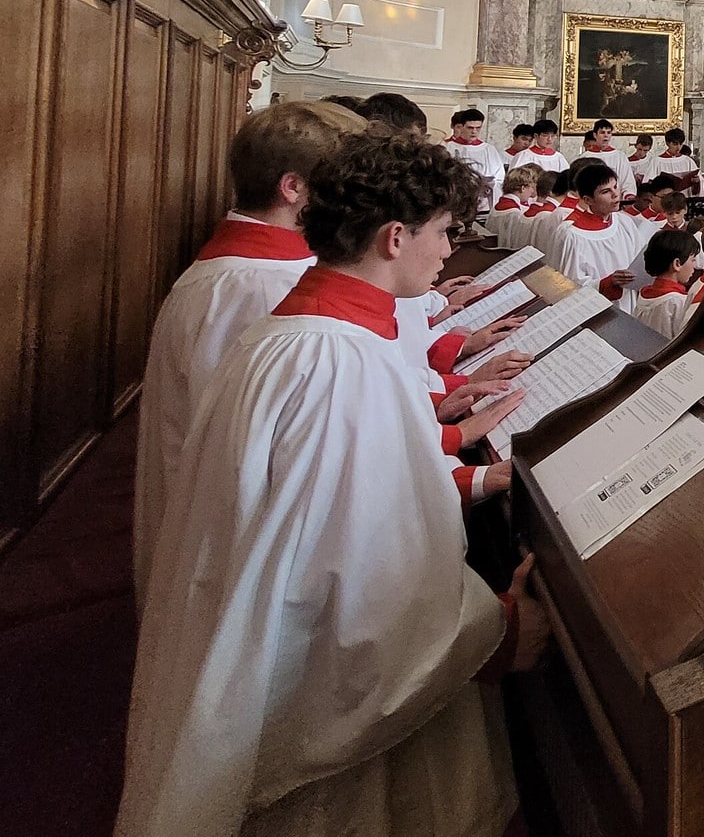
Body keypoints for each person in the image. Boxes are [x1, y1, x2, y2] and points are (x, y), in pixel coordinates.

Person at [117, 134, 548, 837]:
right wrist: (496, 632)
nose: (447, 254)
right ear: (394, 236)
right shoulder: (337, 364)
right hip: (313, 719)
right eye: (442, 234)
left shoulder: (300, 332)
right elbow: (356, 587)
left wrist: (463, 478)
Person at [133, 100, 366, 596]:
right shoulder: (263, 285)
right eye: (337, 186)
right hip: (228, 544)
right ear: (293, 188)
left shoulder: (247, 269)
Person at [544, 164, 656, 289]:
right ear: (588, 200)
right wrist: (607, 283)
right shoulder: (573, 236)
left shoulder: (625, 222)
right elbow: (569, 284)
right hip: (598, 305)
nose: (615, 194)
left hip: (630, 298)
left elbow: (641, 259)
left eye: (615, 187)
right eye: (605, 191)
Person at [636, 228, 704, 340]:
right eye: (693, 260)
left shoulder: (644, 294)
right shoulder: (677, 301)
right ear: (677, 264)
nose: (695, 266)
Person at [444, 107, 506, 211]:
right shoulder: (447, 147)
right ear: (461, 127)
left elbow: (500, 177)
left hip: (483, 201)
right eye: (470, 128)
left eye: (478, 128)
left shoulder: (489, 150)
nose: (474, 132)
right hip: (456, 200)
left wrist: (490, 185)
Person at [584, 118, 639, 198]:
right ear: (595, 135)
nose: (606, 135)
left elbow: (627, 179)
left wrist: (628, 194)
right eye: (602, 132)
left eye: (609, 132)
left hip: (615, 201)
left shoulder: (619, 156)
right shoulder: (586, 157)